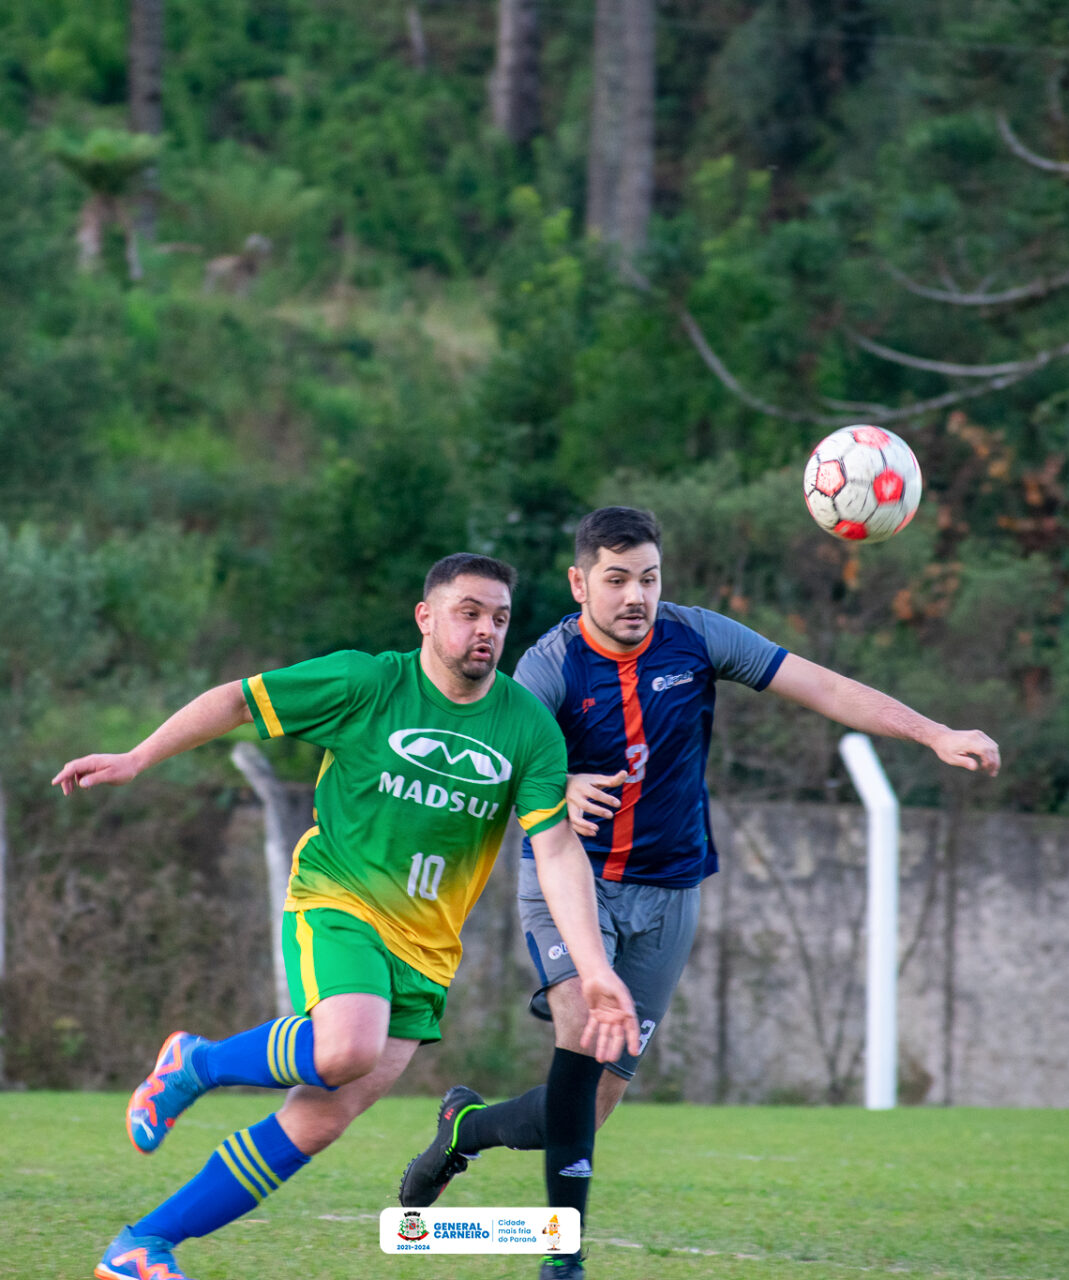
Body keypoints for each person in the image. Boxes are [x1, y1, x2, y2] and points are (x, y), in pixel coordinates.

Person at [397, 508, 1000, 1278]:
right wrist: (556, 783)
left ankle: (465, 1129)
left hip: (672, 893)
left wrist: (934, 733)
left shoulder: (697, 636)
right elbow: (490, 753)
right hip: (571, 886)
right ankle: (563, 1260)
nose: (635, 596)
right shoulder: (549, 666)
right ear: (581, 583)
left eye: (648, 578)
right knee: (582, 1037)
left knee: (587, 1106)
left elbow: (819, 683)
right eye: (615, 580)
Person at [52, 552, 641, 1280]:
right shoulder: (368, 683)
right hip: (341, 900)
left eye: (498, 618)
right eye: (468, 613)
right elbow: (240, 700)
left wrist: (593, 971)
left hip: (426, 950)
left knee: (320, 1117)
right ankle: (195, 1064)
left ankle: (141, 1246)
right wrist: (139, 756)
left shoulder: (527, 728)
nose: (484, 630)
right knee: (344, 1048)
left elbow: (554, 851)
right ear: (426, 618)